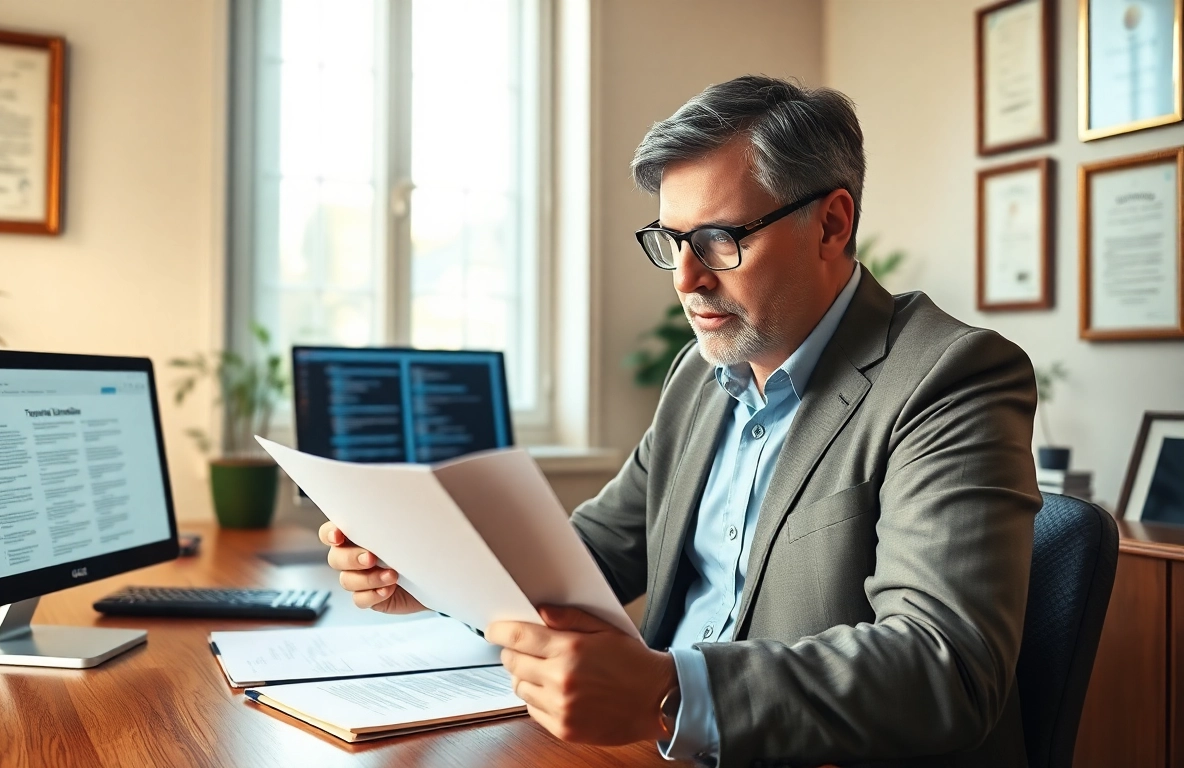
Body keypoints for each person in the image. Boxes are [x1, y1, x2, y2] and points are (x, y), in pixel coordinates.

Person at [320, 75, 1040, 767]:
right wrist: (435, 572)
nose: (686, 280)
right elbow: (591, 554)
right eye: (671, 241)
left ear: (831, 224)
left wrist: (670, 690)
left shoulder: (952, 377)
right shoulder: (700, 375)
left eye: (721, 240)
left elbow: (946, 665)